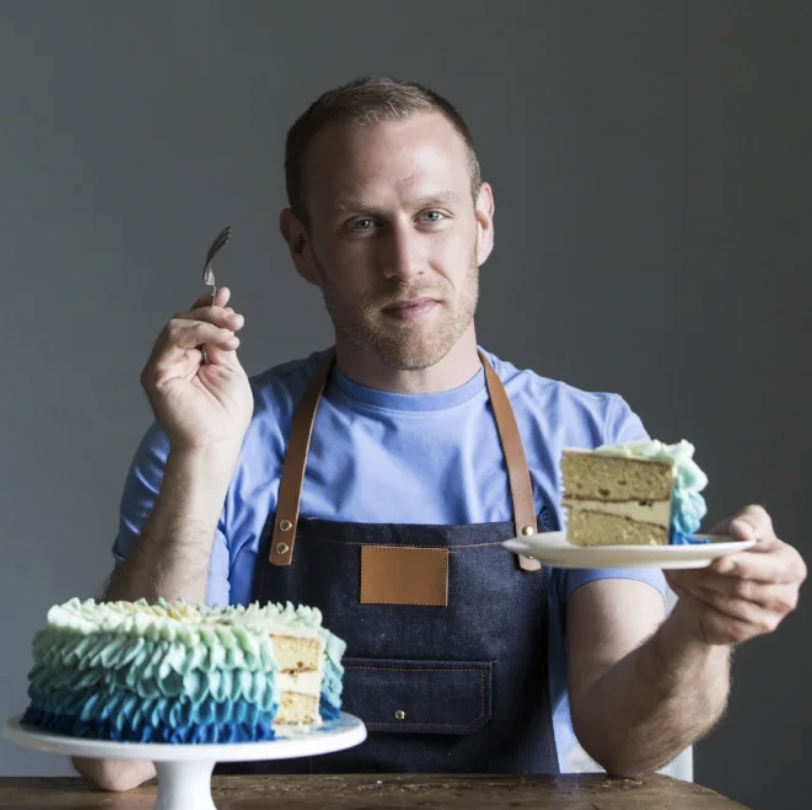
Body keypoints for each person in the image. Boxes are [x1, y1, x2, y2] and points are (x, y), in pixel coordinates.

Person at [73, 77, 806, 791]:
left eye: (432, 215)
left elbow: (627, 744)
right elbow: (121, 763)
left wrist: (700, 631)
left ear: (482, 223)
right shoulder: (212, 437)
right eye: (362, 224)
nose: (405, 264)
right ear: (302, 247)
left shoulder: (603, 443)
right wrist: (201, 458)